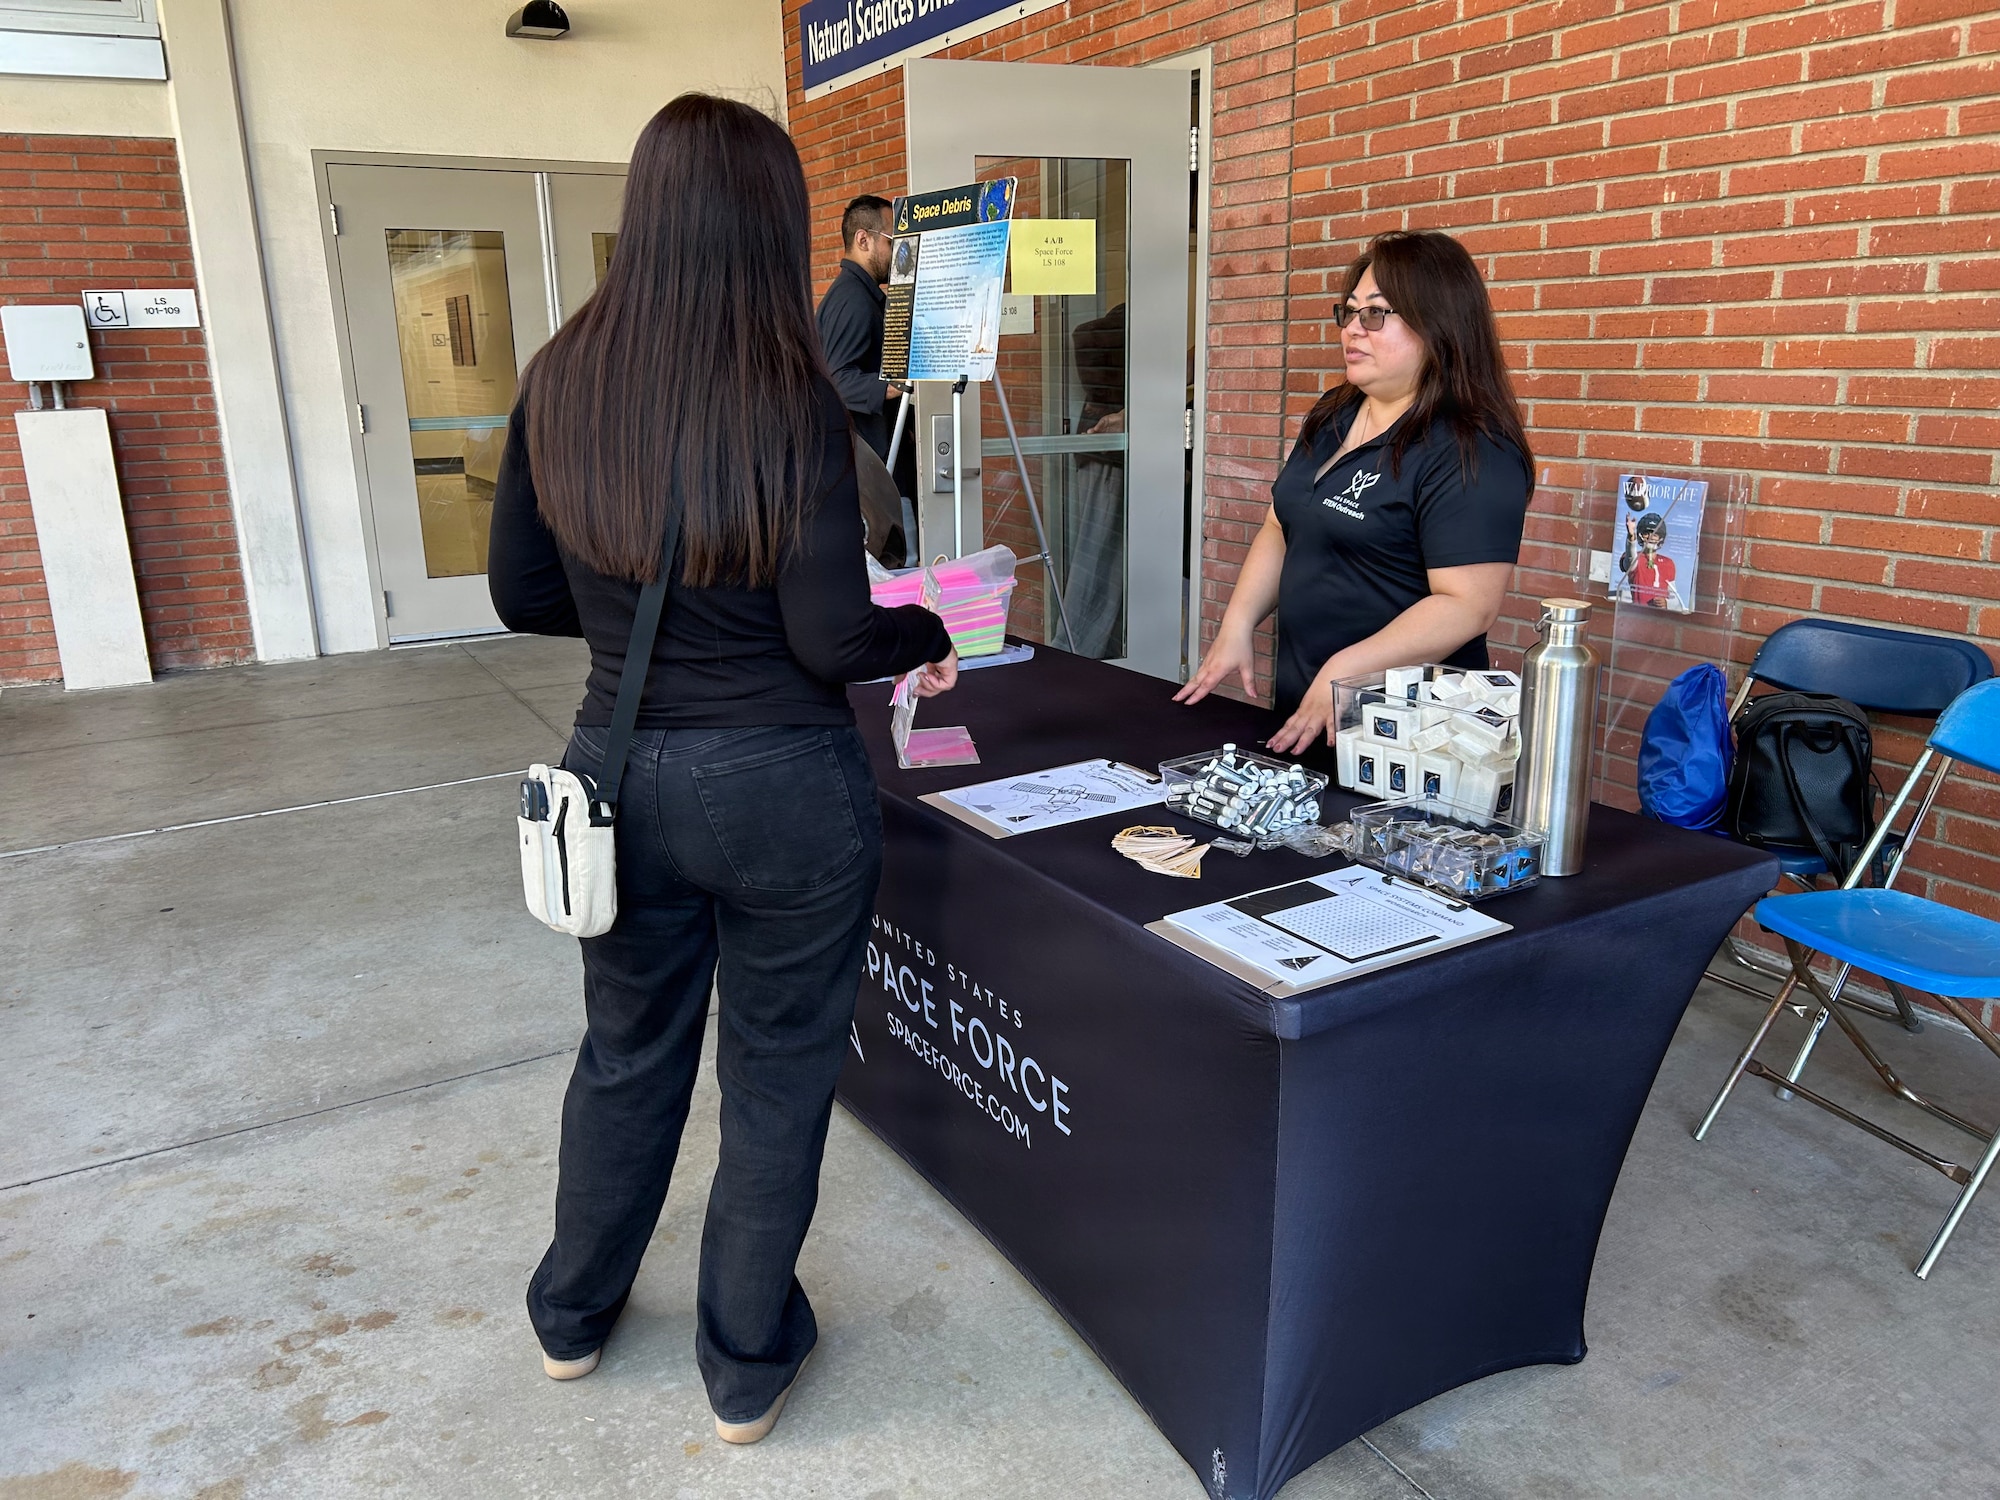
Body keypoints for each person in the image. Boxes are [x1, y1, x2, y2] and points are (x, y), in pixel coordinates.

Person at [487, 94, 958, 1448]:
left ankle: (571, 1316)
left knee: (626, 1053)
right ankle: (744, 1362)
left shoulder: (564, 375)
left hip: (619, 775)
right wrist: (924, 629)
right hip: (784, 792)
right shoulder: (792, 395)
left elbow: (523, 593)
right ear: (770, 224)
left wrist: (649, 615)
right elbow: (830, 634)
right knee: (775, 1072)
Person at [1175, 230, 1533, 755]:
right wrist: (1238, 622)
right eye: (1349, 312)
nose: (1352, 330)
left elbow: (1466, 606)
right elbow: (1282, 523)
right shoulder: (1336, 411)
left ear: (1439, 326)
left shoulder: (1470, 449)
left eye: (1376, 314)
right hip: (1309, 703)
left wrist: (1345, 669)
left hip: (1408, 736)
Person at [817, 194, 909, 470]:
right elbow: (836, 381)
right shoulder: (853, 300)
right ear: (863, 240)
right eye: (893, 242)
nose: (900, 253)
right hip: (867, 467)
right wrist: (893, 385)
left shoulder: (856, 294)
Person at [1621, 511, 1675, 607]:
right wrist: (1631, 537)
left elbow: (1674, 597)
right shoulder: (1635, 558)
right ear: (1640, 535)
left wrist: (1667, 603)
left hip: (1661, 617)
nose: (1650, 537)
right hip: (1639, 614)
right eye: (1647, 533)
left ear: (1661, 537)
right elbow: (1630, 560)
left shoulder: (1668, 563)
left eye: (1655, 534)